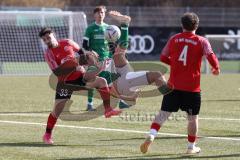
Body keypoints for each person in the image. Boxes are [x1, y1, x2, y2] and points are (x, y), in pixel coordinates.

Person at [140, 12, 220, 154]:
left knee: (163, 114)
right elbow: (210, 55)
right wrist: (216, 68)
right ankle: (191, 147)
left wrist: (175, 64)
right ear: (197, 25)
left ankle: (151, 135)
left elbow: (163, 57)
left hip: (173, 86)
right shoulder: (202, 41)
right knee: (192, 118)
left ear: (182, 25)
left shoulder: (174, 39)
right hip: (192, 87)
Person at [39, 27, 122, 145]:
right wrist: (75, 63)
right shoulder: (48, 54)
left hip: (80, 78)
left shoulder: (67, 42)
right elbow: (57, 72)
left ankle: (108, 110)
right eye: (44, 40)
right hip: (65, 83)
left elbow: (81, 53)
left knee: (102, 81)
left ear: (53, 35)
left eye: (48, 37)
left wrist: (90, 57)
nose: (47, 40)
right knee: (57, 111)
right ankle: (47, 134)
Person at [87, 11, 171, 105]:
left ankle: (124, 25)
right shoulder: (96, 72)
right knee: (156, 75)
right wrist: (127, 98)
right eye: (91, 54)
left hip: (124, 78)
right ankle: (172, 97)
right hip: (121, 84)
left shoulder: (103, 63)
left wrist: (129, 98)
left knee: (117, 55)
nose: (92, 53)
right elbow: (109, 90)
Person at [82, 5, 129, 111]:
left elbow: (112, 44)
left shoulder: (109, 28)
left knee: (113, 79)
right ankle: (90, 104)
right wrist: (90, 54)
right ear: (94, 15)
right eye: (98, 13)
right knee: (93, 80)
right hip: (94, 60)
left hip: (107, 59)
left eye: (102, 12)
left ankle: (121, 101)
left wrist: (114, 55)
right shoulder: (90, 29)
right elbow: (85, 45)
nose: (100, 14)